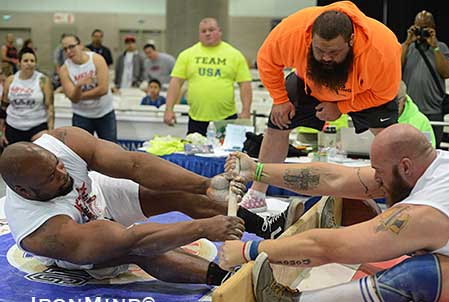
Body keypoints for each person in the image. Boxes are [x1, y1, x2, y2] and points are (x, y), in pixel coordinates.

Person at [0, 126, 304, 284]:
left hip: (98, 195)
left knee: (176, 190)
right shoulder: (39, 230)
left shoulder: (62, 143)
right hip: (78, 239)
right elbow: (133, 237)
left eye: (59, 166)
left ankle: (265, 226)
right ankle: (222, 277)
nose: (63, 172)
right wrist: (203, 228)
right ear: (24, 190)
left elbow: (134, 164)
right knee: (135, 250)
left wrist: (206, 185)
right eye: (53, 176)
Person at [219, 123, 449, 302]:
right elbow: (337, 178)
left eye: (378, 171)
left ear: (406, 166)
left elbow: (333, 247)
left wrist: (249, 250)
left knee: (421, 274)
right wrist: (257, 170)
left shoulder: (425, 211)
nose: (376, 178)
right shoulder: (432, 165)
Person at [240, 1, 401, 212]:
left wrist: (341, 107)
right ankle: (257, 192)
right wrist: (280, 100)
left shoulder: (381, 48)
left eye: (334, 52)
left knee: (390, 140)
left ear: (351, 40)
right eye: (319, 49)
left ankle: (399, 199)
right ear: (310, 38)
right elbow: (267, 61)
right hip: (310, 83)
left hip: (363, 92)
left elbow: (385, 94)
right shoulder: (293, 33)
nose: (325, 57)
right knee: (278, 123)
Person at [164, 17, 253, 136]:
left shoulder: (234, 55)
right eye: (203, 31)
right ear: (199, 34)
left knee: (227, 154)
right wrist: (169, 109)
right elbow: (176, 83)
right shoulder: (187, 55)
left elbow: (245, 84)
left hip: (225, 118)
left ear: (220, 31)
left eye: (211, 30)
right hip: (196, 119)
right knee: (194, 153)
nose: (207, 33)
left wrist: (246, 110)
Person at [401, 10, 449, 148]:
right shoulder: (408, 48)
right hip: (411, 112)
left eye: (425, 26)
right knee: (408, 149)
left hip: (433, 111)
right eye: (419, 27)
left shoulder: (441, 48)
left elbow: (446, 73)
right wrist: (407, 42)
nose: (422, 30)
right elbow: (396, 67)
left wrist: (435, 47)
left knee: (433, 150)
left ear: (433, 27)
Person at [59, 34, 117, 143]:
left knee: (111, 148)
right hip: (81, 115)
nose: (68, 51)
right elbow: (73, 98)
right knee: (82, 151)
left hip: (104, 112)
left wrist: (79, 95)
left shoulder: (96, 59)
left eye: (71, 47)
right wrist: (79, 85)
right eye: (65, 49)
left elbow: (103, 89)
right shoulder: (64, 70)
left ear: (80, 45)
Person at [0, 47, 54, 147]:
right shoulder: (11, 80)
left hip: (37, 126)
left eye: (32, 61)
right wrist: (1, 132)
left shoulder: (43, 80)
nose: (29, 63)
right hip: (13, 126)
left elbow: (50, 107)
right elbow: (3, 107)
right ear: (19, 63)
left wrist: (50, 131)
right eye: (25, 61)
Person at [397, 80, 435, 147]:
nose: (389, 107)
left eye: (396, 103)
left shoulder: (422, 121)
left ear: (404, 100)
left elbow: (429, 151)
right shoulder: (376, 115)